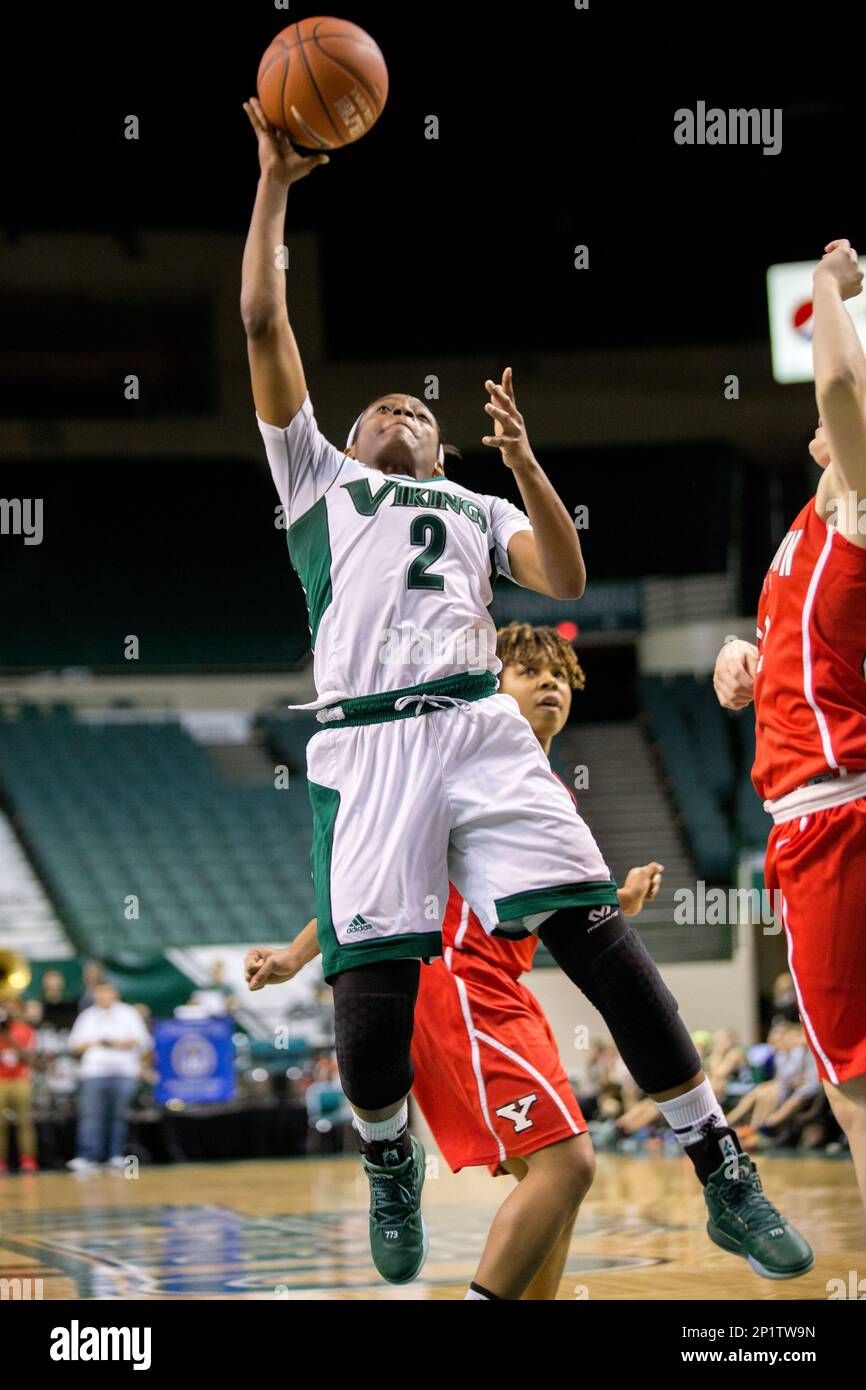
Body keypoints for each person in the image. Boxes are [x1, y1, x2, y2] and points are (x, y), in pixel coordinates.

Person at [241, 98, 811, 1286]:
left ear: (442, 452)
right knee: (374, 996)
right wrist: (276, 182)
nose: (403, 407)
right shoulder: (316, 487)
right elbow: (259, 315)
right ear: (342, 440)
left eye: (421, 409)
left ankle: (717, 1164)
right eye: (381, 405)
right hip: (368, 744)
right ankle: (386, 1156)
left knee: (596, 927)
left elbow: (562, 573)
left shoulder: (473, 505)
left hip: (475, 721)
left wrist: (523, 461)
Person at [246, 625, 812, 1293]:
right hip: (452, 986)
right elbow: (372, 892)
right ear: (487, 689)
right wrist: (296, 953)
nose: (548, 683)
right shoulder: (452, 773)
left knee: (554, 1181)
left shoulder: (542, 794)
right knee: (567, 1165)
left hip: (503, 992)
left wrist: (617, 900)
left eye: (558, 675)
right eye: (527, 673)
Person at [714, 238, 866, 1211]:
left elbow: (845, 390)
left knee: (850, 1080)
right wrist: (745, 661)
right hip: (819, 811)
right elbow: (806, 660)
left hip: (832, 815)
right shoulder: (798, 539)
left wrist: (822, 293)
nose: (820, 411)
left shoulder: (854, 504)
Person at [66, 982, 151, 1172]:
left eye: (107, 993)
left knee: (119, 1116)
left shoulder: (128, 1014)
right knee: (91, 1115)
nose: (103, 997)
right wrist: (95, 1042)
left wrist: (116, 1044)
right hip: (94, 1073)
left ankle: (116, 1155)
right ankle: (88, 1156)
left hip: (124, 1072)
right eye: (100, 994)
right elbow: (74, 1045)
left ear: (115, 994)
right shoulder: (87, 1016)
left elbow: (143, 1041)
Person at [0, 1000, 38, 1173]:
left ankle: (28, 1159)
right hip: (1, 1080)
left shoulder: (25, 1030)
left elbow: (30, 1058)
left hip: (20, 1079)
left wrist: (9, 1038)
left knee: (24, 1121)